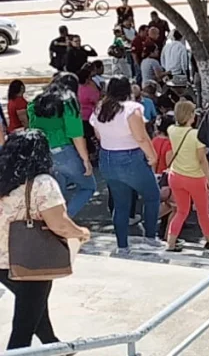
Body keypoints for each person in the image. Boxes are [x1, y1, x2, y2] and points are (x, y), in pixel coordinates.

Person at [0, 130, 91, 350]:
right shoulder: (42, 183)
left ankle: (53, 344)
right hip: (30, 259)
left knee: (34, 306)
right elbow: (58, 223)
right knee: (23, 327)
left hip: (2, 261)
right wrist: (81, 233)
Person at [90, 76, 162, 253]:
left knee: (120, 204)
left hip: (107, 157)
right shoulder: (132, 109)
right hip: (131, 157)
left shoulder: (100, 108)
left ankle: (122, 246)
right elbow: (141, 137)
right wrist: (152, 156)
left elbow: (98, 135)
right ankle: (151, 237)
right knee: (152, 196)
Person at [28, 73, 96, 218]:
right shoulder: (68, 102)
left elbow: (33, 128)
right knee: (88, 187)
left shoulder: (36, 102)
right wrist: (85, 160)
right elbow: (76, 134)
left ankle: (52, 222)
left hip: (44, 153)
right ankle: (64, 220)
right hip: (64, 151)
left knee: (56, 193)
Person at [165, 100, 209, 252]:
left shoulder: (171, 130)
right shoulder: (196, 135)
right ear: (190, 115)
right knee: (203, 212)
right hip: (195, 177)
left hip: (176, 175)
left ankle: (171, 242)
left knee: (182, 211)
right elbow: (202, 160)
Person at [77, 66, 102, 159]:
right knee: (92, 135)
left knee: (86, 136)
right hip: (90, 115)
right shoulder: (89, 89)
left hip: (80, 116)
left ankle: (88, 154)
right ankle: (94, 154)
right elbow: (97, 100)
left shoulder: (76, 88)